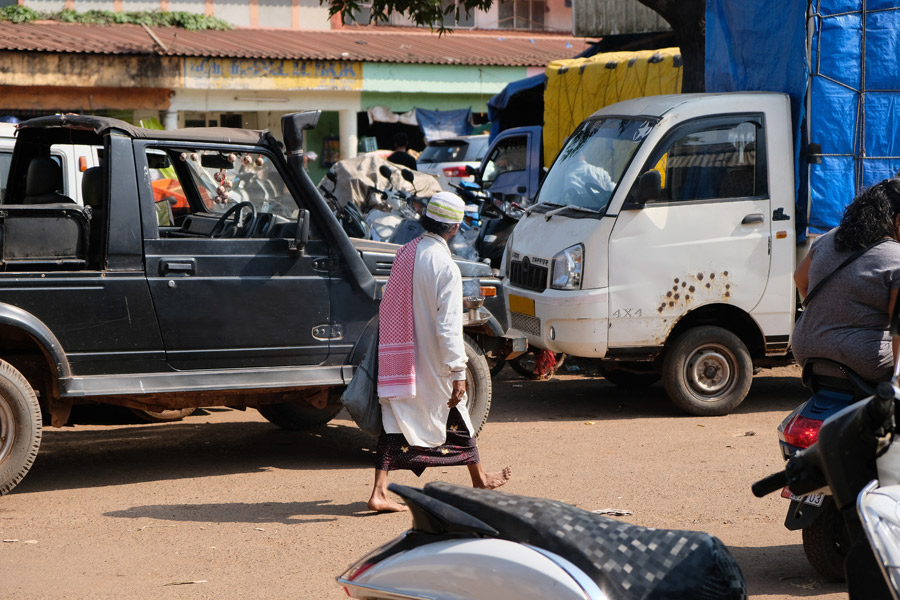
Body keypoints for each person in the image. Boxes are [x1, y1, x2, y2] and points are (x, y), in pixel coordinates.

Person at [368, 191, 512, 513]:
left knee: (395, 420)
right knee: (456, 411)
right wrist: (459, 371)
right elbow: (448, 327)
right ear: (455, 227)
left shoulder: (406, 252)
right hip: (432, 358)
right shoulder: (445, 265)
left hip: (400, 356)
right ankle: (479, 478)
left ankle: (380, 491)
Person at [792, 178, 900, 383]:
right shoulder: (896, 257)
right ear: (898, 220)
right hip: (862, 360)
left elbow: (799, 278)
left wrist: (829, 313)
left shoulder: (828, 238)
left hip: (807, 353)